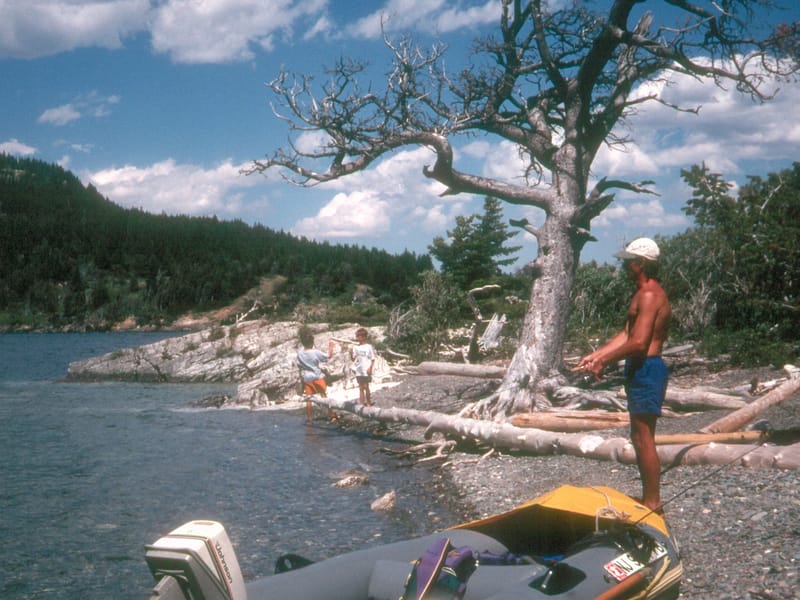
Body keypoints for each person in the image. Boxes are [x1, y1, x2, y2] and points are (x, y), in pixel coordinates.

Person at [575, 237, 671, 513]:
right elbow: (627, 334)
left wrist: (604, 361)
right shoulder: (642, 293)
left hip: (647, 368)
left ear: (641, 264)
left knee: (643, 437)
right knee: (638, 435)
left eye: (628, 263)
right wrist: (597, 355)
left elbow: (640, 343)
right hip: (639, 368)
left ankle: (653, 502)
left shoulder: (651, 295)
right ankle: (649, 499)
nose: (624, 267)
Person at [297, 329, 336, 423]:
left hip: (307, 378)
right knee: (324, 396)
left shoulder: (299, 353)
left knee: (309, 399)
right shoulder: (315, 352)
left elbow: (299, 366)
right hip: (317, 377)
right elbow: (328, 356)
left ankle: (310, 418)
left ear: (303, 343)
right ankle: (331, 415)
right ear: (312, 342)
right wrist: (331, 346)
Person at [351, 328, 376, 406]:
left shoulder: (368, 347)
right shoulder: (356, 347)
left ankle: (368, 402)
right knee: (360, 387)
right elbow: (353, 359)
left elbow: (372, 359)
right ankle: (361, 404)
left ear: (364, 337)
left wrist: (370, 368)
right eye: (357, 336)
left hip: (366, 369)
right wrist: (350, 353)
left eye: (359, 336)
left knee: (366, 386)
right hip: (359, 370)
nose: (358, 338)